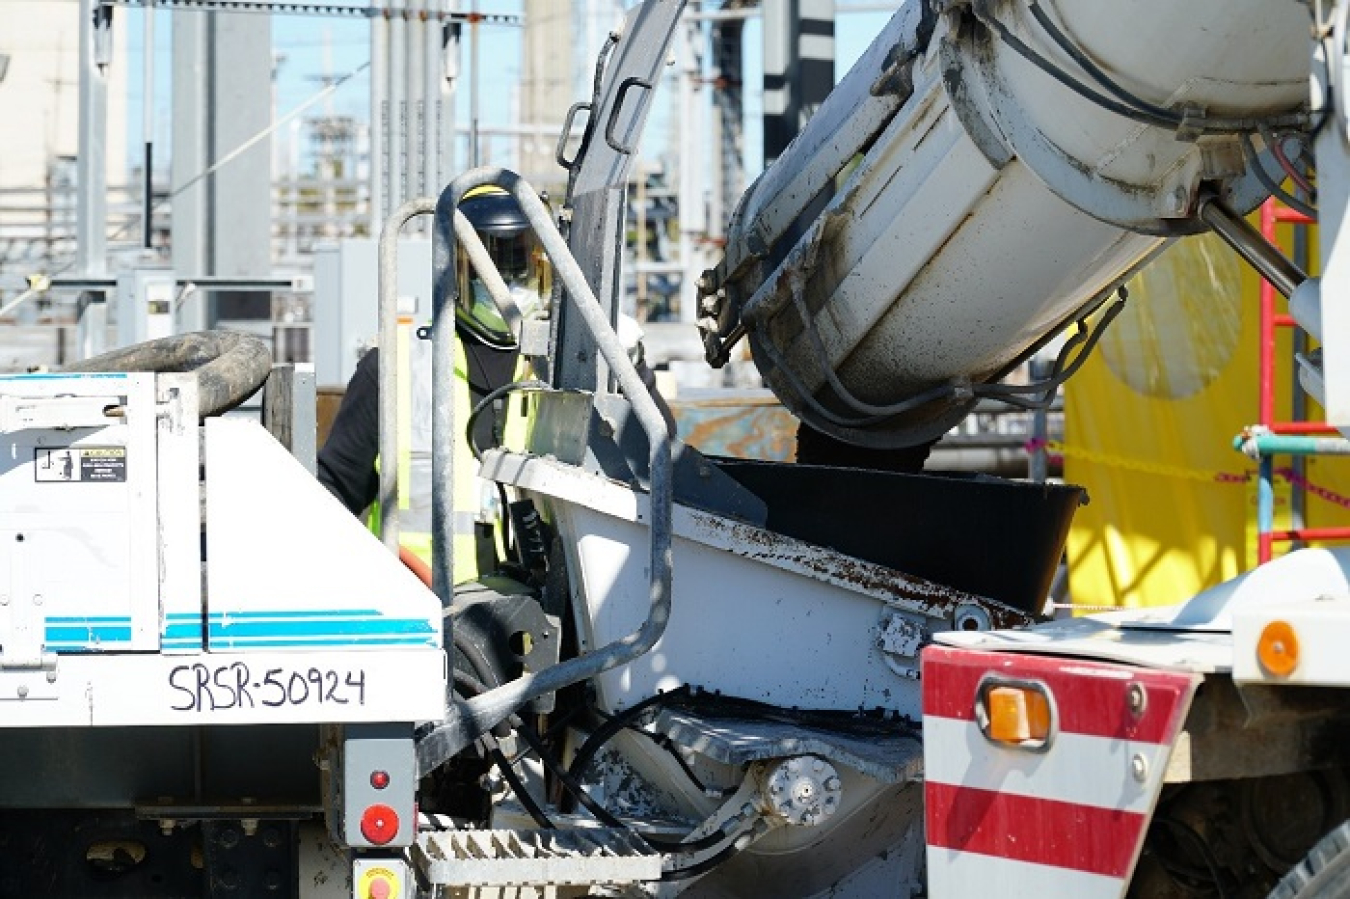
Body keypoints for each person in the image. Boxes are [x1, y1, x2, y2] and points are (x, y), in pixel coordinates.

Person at [317, 185, 552, 586]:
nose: (506, 280)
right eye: (486, 263)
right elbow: (329, 499)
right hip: (422, 619)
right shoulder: (395, 370)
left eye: (520, 265)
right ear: (452, 269)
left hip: (551, 624)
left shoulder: (567, 372)